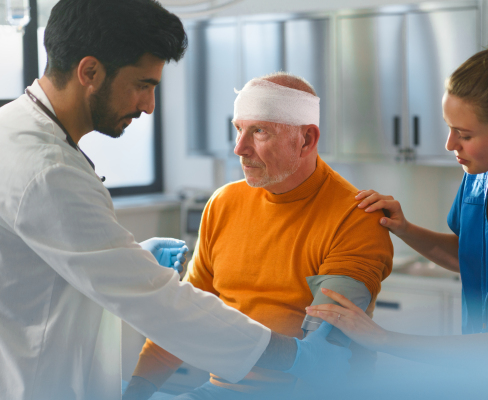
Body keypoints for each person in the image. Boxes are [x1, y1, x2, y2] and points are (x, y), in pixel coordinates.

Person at [0, 1, 351, 399]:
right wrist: (294, 357)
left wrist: (133, 261)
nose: (149, 106)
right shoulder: (49, 170)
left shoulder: (15, 132)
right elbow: (163, 303)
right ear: (90, 72)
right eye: (143, 85)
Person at [306, 17, 488, 397]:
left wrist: (380, 338)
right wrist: (404, 227)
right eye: (449, 128)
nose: (449, 145)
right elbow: (470, 256)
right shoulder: (480, 176)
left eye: (464, 135)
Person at [125, 72, 394, 399]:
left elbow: (323, 356)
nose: (239, 148)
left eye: (259, 131)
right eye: (238, 129)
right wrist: (136, 391)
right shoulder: (223, 203)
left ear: (306, 140)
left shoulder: (355, 219)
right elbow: (184, 318)